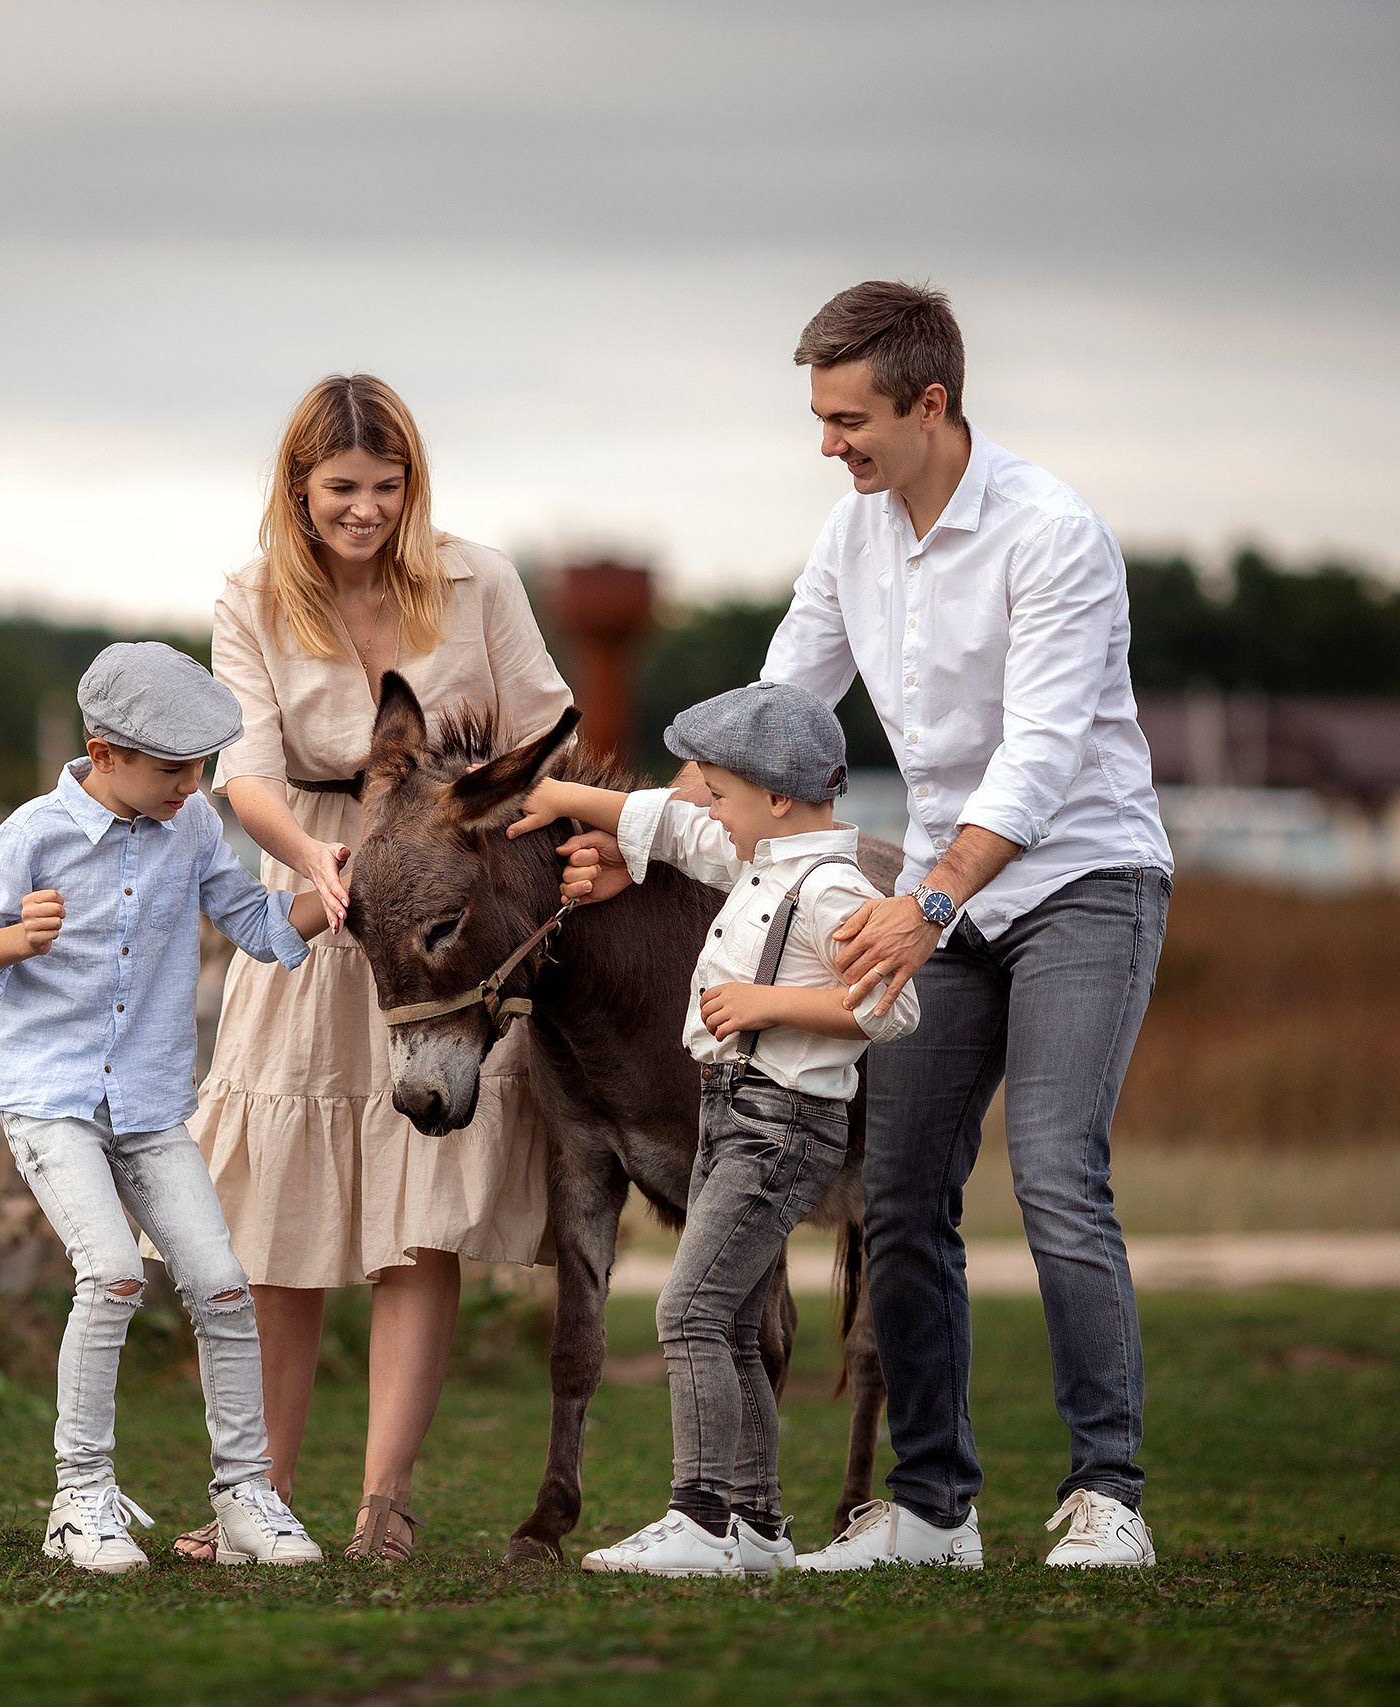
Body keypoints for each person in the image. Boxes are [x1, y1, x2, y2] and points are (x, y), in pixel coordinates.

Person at [566, 282, 1172, 1570]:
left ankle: (1105, 1494)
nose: (827, 444)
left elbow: (1043, 753)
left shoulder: (1052, 535)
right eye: (819, 417)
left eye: (847, 419)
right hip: (940, 896)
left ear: (930, 403)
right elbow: (768, 714)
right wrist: (638, 841)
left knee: (1059, 1175)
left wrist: (929, 903)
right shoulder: (850, 541)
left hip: (1079, 878)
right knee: (897, 1195)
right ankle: (933, 1510)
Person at [175, 373, 574, 1565]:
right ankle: (263, 1497)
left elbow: (537, 731)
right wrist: (312, 860)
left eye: (387, 489)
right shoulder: (248, 598)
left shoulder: (478, 579)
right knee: (277, 1217)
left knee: (419, 1217)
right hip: (313, 899)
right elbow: (240, 769)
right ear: (297, 488)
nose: (365, 511)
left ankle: (385, 1504)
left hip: (446, 904)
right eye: (341, 488)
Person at [0, 641, 335, 1574]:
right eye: (173, 767)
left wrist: (329, 892)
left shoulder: (192, 829)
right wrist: (11, 941)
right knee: (111, 1271)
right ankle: (79, 1500)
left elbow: (262, 927)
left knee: (224, 1284)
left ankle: (246, 1497)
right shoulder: (34, 830)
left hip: (151, 1106)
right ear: (103, 750)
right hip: (51, 1100)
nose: (193, 787)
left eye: (200, 767)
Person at [509, 681, 918, 1576]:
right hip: (735, 1115)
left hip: (780, 1123)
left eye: (719, 795)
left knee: (687, 1310)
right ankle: (761, 1527)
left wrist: (767, 1002)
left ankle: (699, 1516)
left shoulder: (831, 885)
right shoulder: (761, 856)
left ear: (775, 799)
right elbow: (667, 823)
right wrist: (566, 799)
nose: (708, 814)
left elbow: (892, 1005)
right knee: (727, 1321)